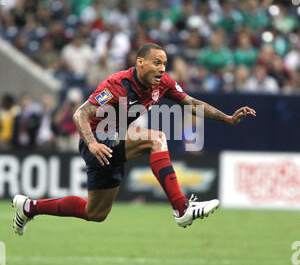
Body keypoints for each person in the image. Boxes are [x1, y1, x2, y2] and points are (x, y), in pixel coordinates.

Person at [12, 43, 256, 235]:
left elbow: (191, 103)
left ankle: (29, 207)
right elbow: (80, 114)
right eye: (157, 63)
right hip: (97, 141)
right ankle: (181, 208)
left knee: (95, 212)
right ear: (140, 63)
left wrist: (227, 118)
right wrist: (93, 143)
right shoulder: (117, 85)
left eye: (165, 64)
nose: (162, 69)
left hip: (113, 143)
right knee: (157, 138)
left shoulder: (163, 83)